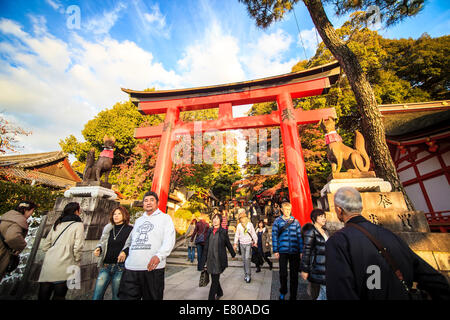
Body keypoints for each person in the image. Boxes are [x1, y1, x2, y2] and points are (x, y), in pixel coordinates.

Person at [326, 186, 450, 300]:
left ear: (339, 210)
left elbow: (340, 292)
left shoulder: (338, 242)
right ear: (361, 207)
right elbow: (435, 280)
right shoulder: (390, 235)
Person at [118, 191, 175, 300]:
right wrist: (124, 251)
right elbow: (131, 240)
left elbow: (169, 239)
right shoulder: (139, 220)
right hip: (131, 267)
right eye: (146, 200)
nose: (148, 203)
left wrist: (159, 255)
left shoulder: (165, 218)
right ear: (143, 204)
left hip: (152, 269)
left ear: (157, 203)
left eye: (152, 200)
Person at [38, 202, 84, 300]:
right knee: (59, 295)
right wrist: (77, 259)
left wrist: (52, 252)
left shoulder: (58, 223)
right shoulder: (78, 225)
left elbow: (46, 245)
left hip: (50, 261)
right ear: (76, 211)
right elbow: (78, 246)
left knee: (44, 292)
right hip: (66, 260)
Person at [92, 206, 133, 300]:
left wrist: (125, 252)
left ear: (124, 215)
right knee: (96, 295)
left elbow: (132, 245)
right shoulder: (108, 228)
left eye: (119, 214)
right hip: (106, 266)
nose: (116, 216)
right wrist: (98, 249)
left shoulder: (130, 229)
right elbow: (102, 243)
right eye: (114, 214)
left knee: (116, 296)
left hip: (120, 267)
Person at [200, 214, 236, 300]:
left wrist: (233, 254)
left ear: (220, 221)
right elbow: (206, 247)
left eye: (217, 218)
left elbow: (228, 244)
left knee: (214, 281)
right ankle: (220, 292)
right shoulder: (209, 231)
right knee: (214, 279)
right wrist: (203, 260)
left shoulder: (223, 232)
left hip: (219, 260)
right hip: (210, 259)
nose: (215, 220)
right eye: (214, 218)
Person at [272, 202, 303, 300]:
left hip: (294, 250)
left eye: (289, 209)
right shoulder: (277, 221)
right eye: (285, 209)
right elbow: (274, 236)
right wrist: (276, 250)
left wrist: (301, 250)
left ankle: (293, 295)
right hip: (283, 250)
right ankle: (283, 291)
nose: (287, 211)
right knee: (283, 273)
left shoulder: (296, 222)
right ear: (281, 210)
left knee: (294, 275)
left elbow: (299, 236)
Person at [0, 201, 37, 281]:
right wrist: (21, 246)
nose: (31, 214)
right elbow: (12, 237)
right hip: (3, 252)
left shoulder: (6, 218)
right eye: (32, 211)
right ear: (25, 210)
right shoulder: (17, 222)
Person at [300, 209, 328, 300]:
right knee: (319, 293)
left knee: (323, 293)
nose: (324, 218)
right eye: (321, 217)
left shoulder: (325, 231)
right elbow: (306, 251)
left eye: (324, 216)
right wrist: (305, 269)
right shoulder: (311, 231)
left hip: (325, 266)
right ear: (314, 218)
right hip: (316, 266)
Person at [234, 209, 258, 283]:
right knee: (244, 260)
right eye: (241, 218)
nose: (242, 219)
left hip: (248, 244)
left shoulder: (250, 224)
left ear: (246, 218)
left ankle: (249, 275)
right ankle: (246, 274)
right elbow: (237, 235)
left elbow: (253, 233)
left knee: (247, 258)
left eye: (243, 217)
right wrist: (235, 243)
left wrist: (255, 241)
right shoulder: (239, 226)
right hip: (241, 244)